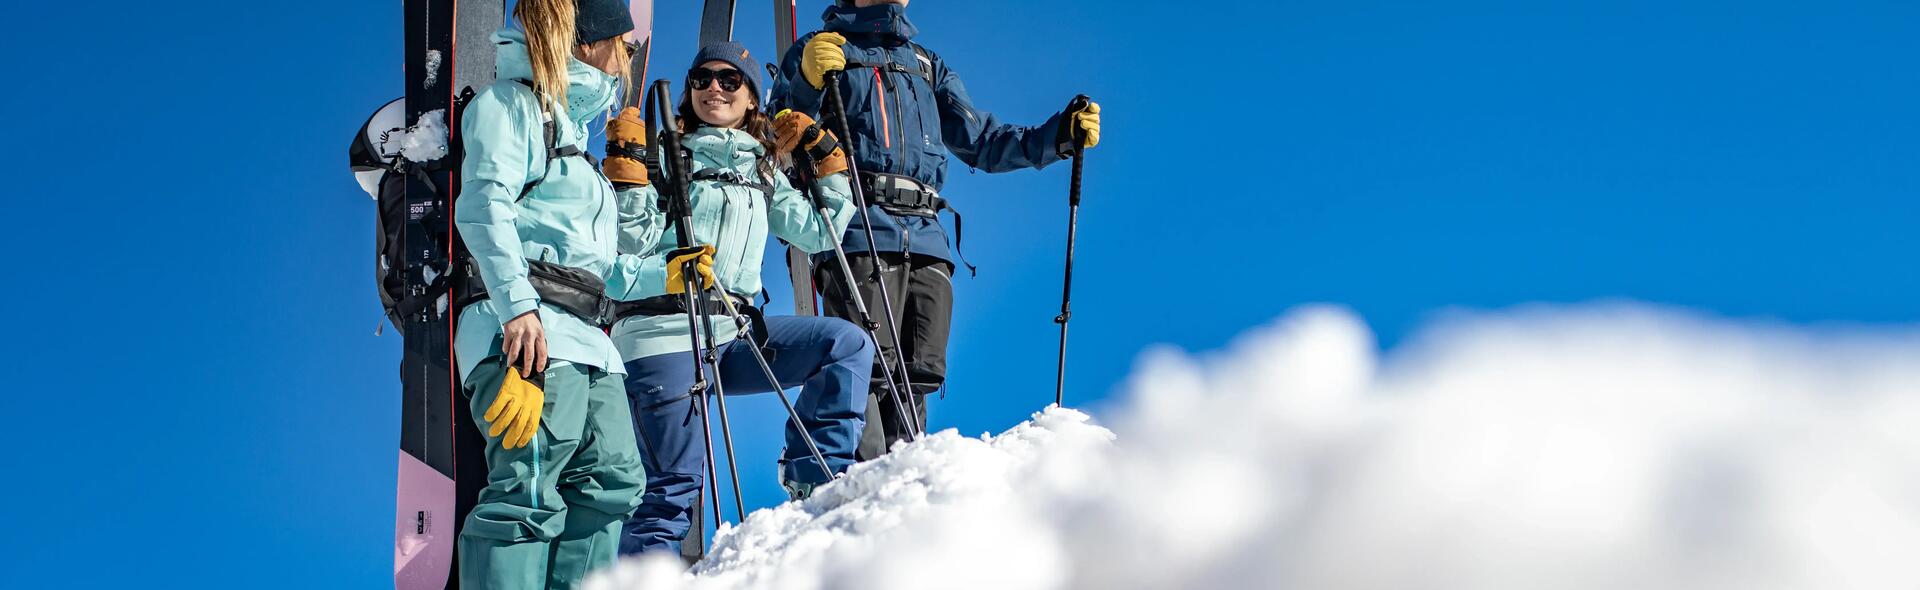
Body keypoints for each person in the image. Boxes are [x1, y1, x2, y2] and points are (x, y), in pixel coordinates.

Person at [776, 0, 1103, 460]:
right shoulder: (819, 51)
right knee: (862, 367)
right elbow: (777, 138)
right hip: (859, 227)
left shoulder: (926, 65)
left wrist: (1059, 136)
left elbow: (984, 142)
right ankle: (855, 488)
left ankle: (904, 484)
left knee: (919, 372)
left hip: (927, 237)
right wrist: (806, 86)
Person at [603, 42, 870, 557]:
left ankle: (815, 482)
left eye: (730, 80)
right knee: (671, 490)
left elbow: (818, 234)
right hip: (663, 336)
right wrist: (630, 174)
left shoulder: (763, 171)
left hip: (733, 335)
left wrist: (830, 165)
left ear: (752, 98)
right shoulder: (666, 154)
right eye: (702, 79)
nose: (714, 89)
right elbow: (627, 246)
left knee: (845, 345)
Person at [450, 0, 650, 587]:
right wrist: (517, 309)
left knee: (614, 484)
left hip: (591, 345)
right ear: (590, 43)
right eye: (625, 43)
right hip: (528, 334)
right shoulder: (511, 105)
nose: (627, 57)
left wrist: (673, 274)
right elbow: (484, 205)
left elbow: (602, 272)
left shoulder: (578, 143)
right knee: (527, 490)